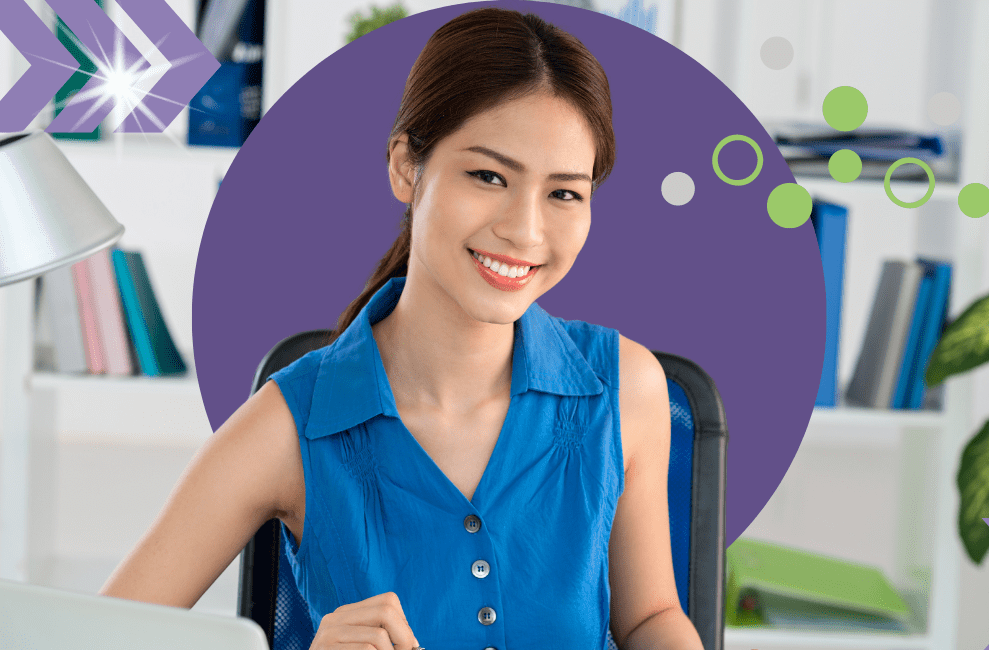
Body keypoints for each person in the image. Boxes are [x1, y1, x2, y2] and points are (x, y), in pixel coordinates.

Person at [100, 7, 703, 650]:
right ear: (405, 168)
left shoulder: (626, 387)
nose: (526, 231)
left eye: (564, 193)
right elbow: (97, 641)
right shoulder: (286, 424)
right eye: (489, 176)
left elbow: (648, 619)